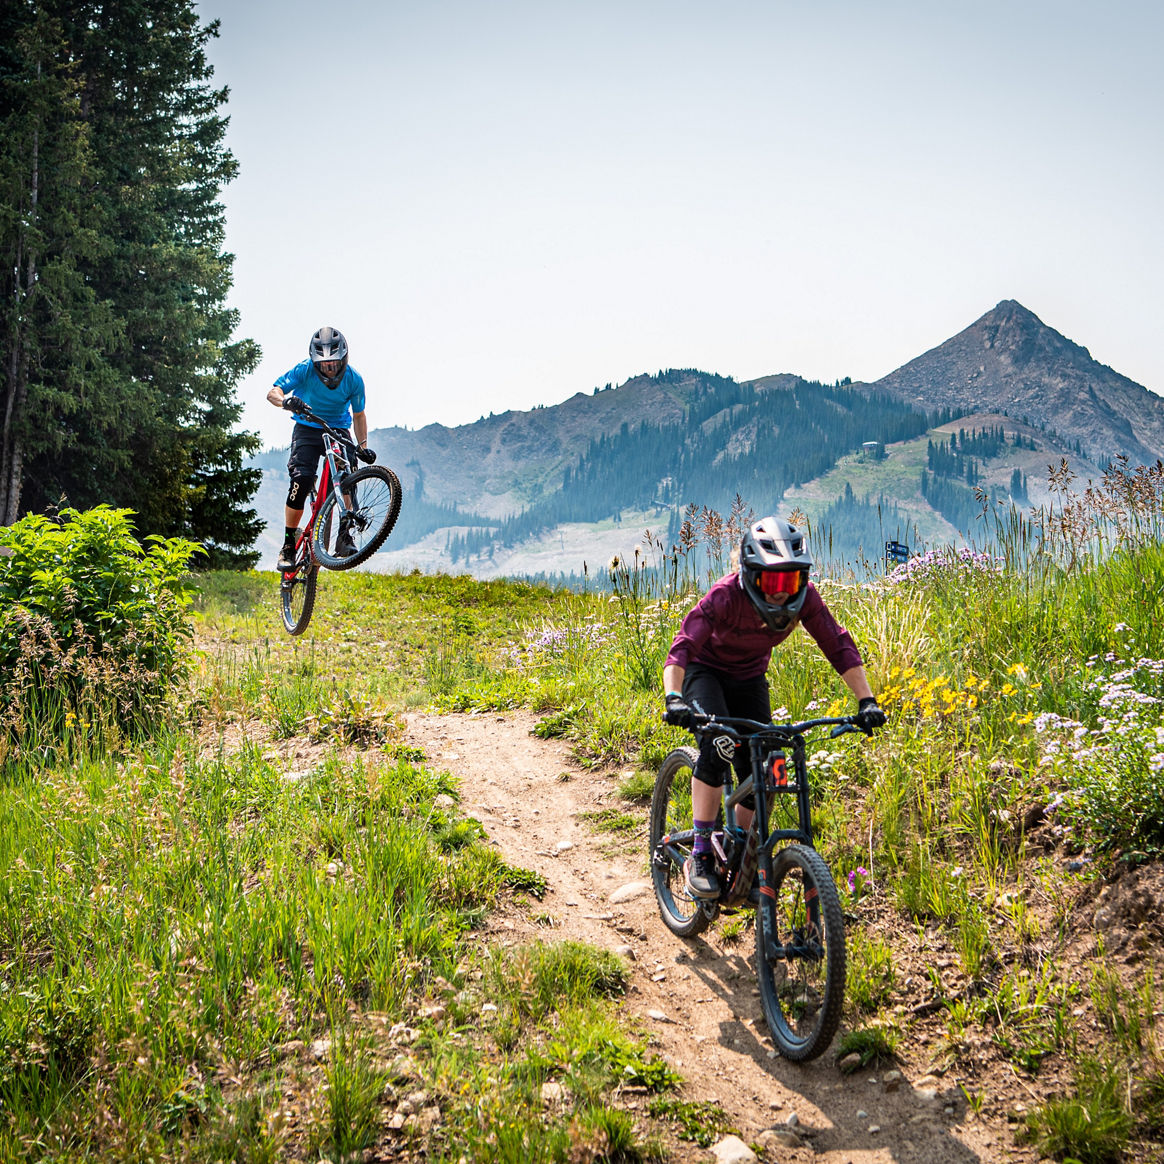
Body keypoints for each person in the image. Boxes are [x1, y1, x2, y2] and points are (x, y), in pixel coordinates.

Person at [662, 516, 885, 900]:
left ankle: (739, 853)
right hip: (705, 671)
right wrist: (674, 697)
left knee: (765, 766)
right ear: (751, 574)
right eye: (772, 581)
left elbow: (837, 644)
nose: (782, 592)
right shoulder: (725, 596)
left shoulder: (806, 599)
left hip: (749, 678)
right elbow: (682, 646)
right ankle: (700, 853)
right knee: (717, 745)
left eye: (791, 580)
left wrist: (867, 701)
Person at [267, 327, 369, 571]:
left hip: (338, 429)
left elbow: (359, 415)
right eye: (324, 364)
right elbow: (273, 392)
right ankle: (288, 546)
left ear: (344, 359)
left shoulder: (354, 379)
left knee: (347, 477)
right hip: (307, 427)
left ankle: (345, 536)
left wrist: (363, 447)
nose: (329, 368)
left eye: (334, 363)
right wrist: (285, 401)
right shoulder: (304, 369)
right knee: (301, 480)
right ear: (315, 362)